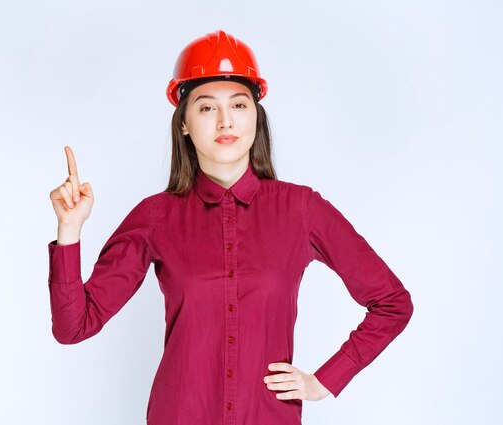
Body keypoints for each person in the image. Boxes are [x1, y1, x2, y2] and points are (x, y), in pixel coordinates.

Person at [47, 30, 414, 425]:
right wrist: (70, 231)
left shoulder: (301, 209)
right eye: (206, 108)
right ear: (184, 124)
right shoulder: (157, 217)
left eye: (239, 104)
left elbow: (392, 303)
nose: (226, 120)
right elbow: (73, 327)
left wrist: (325, 380)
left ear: (256, 116)